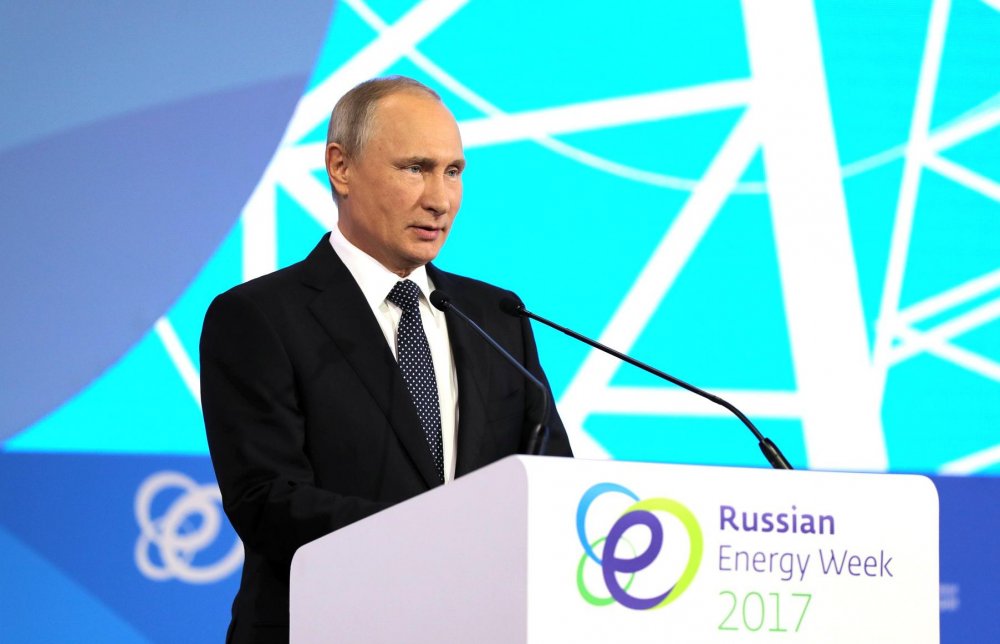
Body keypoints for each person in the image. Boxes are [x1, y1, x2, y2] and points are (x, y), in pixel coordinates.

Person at [200, 75, 572, 643]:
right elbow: (267, 501)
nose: (440, 199)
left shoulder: (496, 315)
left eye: (453, 171)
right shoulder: (259, 317)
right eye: (415, 168)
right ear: (340, 167)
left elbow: (552, 480)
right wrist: (440, 538)